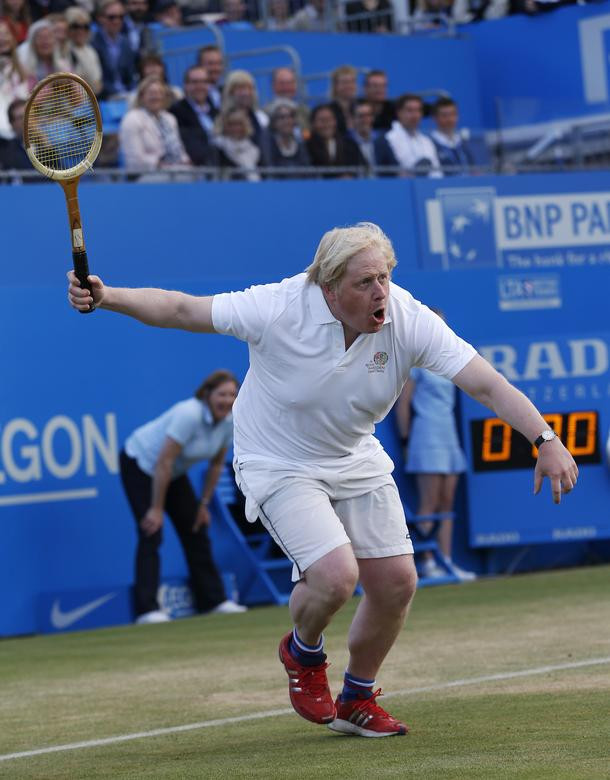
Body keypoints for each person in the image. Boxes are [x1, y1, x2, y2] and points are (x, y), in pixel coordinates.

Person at [67, 221, 578, 736]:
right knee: (336, 577)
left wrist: (545, 439)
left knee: (398, 583)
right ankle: (303, 652)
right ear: (328, 288)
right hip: (276, 459)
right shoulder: (279, 306)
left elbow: (486, 383)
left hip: (353, 454)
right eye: (365, 283)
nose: (381, 291)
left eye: (384, 277)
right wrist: (108, 297)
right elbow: (182, 309)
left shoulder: (407, 315)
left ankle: (357, 698)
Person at [118, 370, 246, 623]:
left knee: (196, 527)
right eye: (222, 394)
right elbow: (163, 462)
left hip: (172, 472)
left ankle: (213, 601)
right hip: (141, 464)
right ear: (207, 394)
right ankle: (147, 610)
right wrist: (155, 509)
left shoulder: (230, 421)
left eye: (233, 394)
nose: (228, 400)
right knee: (151, 531)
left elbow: (215, 465)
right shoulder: (188, 414)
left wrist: (203, 504)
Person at [395, 309, 475, 581]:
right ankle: (428, 563)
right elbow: (403, 404)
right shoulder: (414, 363)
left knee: (447, 501)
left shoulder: (449, 362)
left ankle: (447, 561)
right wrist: (405, 439)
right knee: (428, 502)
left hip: (448, 435)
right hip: (425, 435)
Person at [119, 75, 191, 174]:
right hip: (147, 175)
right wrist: (159, 164)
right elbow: (134, 161)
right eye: (151, 93)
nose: (156, 96)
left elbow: (180, 150)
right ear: (141, 97)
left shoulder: (170, 119)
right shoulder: (131, 119)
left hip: (177, 170)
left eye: (159, 93)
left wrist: (186, 161)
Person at [170, 64, 217, 167]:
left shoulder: (216, 111)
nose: (200, 86)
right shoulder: (176, 112)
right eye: (195, 82)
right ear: (186, 85)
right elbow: (191, 146)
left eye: (204, 82)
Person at [386, 93, 442, 177]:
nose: (415, 115)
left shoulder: (427, 141)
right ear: (399, 113)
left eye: (418, 110)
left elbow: (437, 173)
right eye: (410, 110)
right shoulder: (389, 139)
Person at [430, 96, 489, 174]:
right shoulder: (430, 144)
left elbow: (474, 169)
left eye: (453, 114)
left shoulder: (462, 143)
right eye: (444, 115)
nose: (450, 119)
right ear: (434, 118)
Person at [91, 0, 137, 99]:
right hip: (104, 98)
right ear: (100, 18)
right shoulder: (93, 43)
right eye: (112, 17)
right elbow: (98, 80)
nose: (117, 21)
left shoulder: (126, 42)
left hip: (127, 95)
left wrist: (132, 92)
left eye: (121, 17)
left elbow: (130, 75)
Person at [306, 103, 364, 178]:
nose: (326, 124)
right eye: (322, 120)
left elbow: (361, 168)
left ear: (335, 122)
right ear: (313, 124)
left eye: (329, 119)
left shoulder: (349, 145)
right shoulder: (307, 147)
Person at [349, 98, 397, 176]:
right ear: (353, 119)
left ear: (372, 118)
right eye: (361, 116)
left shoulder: (382, 141)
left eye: (368, 115)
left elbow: (394, 166)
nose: (365, 120)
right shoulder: (346, 141)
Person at [0, 18, 31, 139]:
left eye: (6, 34)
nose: (2, 38)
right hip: (4, 132)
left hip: (26, 126)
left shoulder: (21, 63)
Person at [264, 98, 310, 176]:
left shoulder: (301, 144)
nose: (287, 121)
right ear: (274, 122)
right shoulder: (267, 145)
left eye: (290, 116)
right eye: (282, 117)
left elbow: (308, 172)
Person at [213, 106, 261, 182]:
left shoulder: (253, 148)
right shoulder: (218, 146)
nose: (235, 128)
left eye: (239, 124)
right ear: (225, 126)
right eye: (231, 124)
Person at [17, 18, 70, 82]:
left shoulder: (63, 66)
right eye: (40, 37)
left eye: (48, 37)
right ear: (33, 43)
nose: (45, 41)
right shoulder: (24, 68)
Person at [65, 6, 103, 96]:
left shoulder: (91, 51)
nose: (80, 30)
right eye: (76, 26)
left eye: (85, 27)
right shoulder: (64, 49)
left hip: (89, 100)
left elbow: (98, 85)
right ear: (68, 27)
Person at [328, 64, 358, 135]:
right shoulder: (329, 110)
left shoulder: (360, 107)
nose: (349, 86)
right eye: (344, 82)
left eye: (352, 82)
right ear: (335, 86)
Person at [197, 44, 224, 120]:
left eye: (219, 63)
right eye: (211, 64)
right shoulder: (195, 95)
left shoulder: (226, 91)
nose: (216, 68)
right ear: (199, 65)